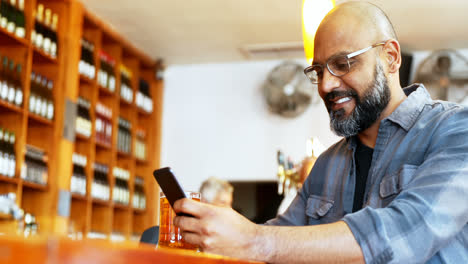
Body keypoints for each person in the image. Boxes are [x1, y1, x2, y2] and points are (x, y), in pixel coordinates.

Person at [173, 2, 468, 263]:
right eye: (318, 71)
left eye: (342, 64)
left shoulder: (455, 130)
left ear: (390, 57)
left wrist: (253, 241)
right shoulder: (327, 164)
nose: (326, 85)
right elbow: (281, 237)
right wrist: (218, 232)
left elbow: (404, 232)